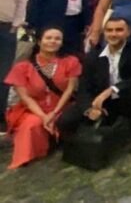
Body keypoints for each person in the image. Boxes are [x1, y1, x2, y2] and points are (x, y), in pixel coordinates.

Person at [58, 18, 131, 153]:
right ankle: (78, 146)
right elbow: (84, 88)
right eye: (109, 30)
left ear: (128, 32)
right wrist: (89, 109)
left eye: (119, 30)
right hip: (100, 102)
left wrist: (113, 89)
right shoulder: (93, 56)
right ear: (104, 33)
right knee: (65, 121)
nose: (113, 34)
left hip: (125, 97)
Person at [4, 27, 81, 169]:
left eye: (57, 39)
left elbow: (70, 90)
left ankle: (54, 140)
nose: (53, 41)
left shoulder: (70, 62)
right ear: (39, 42)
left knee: (65, 119)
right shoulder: (23, 67)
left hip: (62, 106)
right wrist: (44, 116)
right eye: (48, 38)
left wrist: (54, 112)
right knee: (32, 124)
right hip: (33, 108)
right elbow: (25, 97)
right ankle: (30, 154)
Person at [0, 0, 27, 135]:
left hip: (6, 29)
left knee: (3, 74)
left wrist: (16, 25)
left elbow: (21, 1)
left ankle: (0, 115)